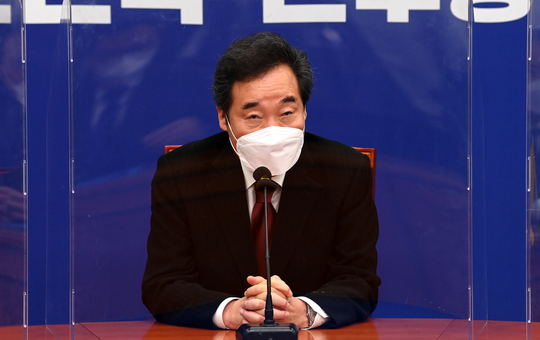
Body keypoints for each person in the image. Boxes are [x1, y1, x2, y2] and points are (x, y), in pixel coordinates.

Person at [142, 32, 380, 330]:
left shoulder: (345, 170)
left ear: (305, 110)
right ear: (223, 117)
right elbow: (163, 284)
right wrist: (232, 311)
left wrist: (301, 311)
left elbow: (360, 281)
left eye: (287, 113)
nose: (273, 129)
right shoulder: (181, 172)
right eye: (254, 116)